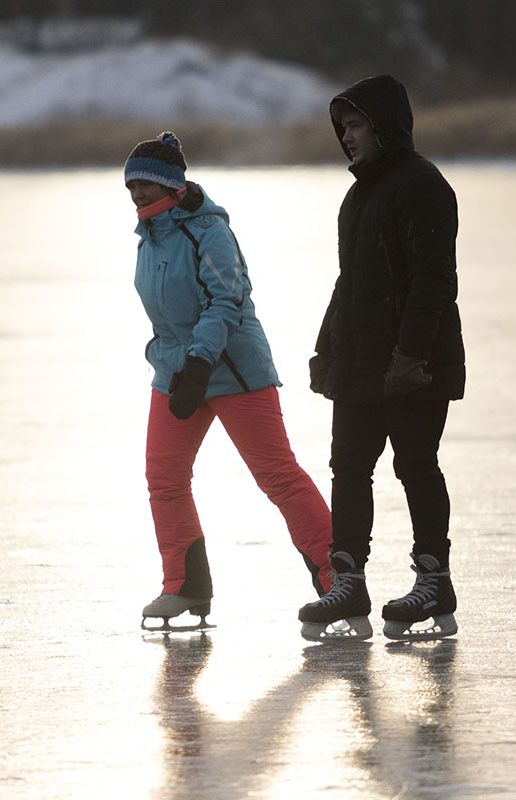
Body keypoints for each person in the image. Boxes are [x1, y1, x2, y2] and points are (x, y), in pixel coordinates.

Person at [126, 131, 334, 632]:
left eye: (147, 186)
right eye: (131, 186)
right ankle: (184, 586)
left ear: (173, 187)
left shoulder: (209, 230)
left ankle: (338, 579)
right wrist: (175, 364)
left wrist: (200, 363)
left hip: (234, 370)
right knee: (164, 479)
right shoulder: (150, 236)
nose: (137, 195)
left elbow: (227, 300)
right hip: (177, 372)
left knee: (278, 476)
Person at [297, 76, 465, 643]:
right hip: (362, 362)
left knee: (415, 465)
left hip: (412, 360)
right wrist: (328, 346)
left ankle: (433, 581)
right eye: (342, 128)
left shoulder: (422, 186)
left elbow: (432, 282)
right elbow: (351, 283)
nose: (347, 137)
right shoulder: (359, 195)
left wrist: (412, 356)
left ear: (385, 125)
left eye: (357, 125)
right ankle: (347, 580)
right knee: (349, 467)